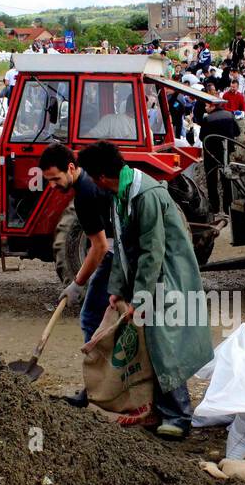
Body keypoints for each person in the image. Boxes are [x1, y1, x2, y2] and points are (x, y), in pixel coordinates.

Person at [76, 141, 212, 440]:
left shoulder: (146, 195)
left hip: (169, 274)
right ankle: (158, 410)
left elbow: (152, 251)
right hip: (150, 277)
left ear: (100, 177)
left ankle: (179, 416)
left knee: (165, 343)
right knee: (151, 342)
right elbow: (124, 246)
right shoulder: (121, 194)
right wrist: (118, 289)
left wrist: (140, 297)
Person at [39, 144, 113, 372]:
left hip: (114, 253)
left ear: (71, 168)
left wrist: (77, 283)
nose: (52, 186)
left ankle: (96, 382)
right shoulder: (92, 179)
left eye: (55, 179)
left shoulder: (85, 195)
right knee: (102, 315)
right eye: (48, 180)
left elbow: (98, 247)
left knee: (91, 316)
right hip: (117, 249)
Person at [199, 98, 240, 215]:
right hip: (225, 152)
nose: (205, 108)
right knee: (226, 180)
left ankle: (215, 208)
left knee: (211, 181)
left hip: (211, 153)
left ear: (213, 106)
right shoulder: (230, 115)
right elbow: (237, 132)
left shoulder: (207, 119)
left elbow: (202, 137)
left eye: (207, 105)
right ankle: (228, 209)